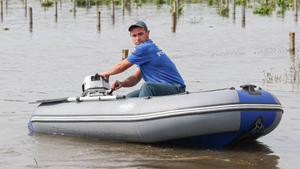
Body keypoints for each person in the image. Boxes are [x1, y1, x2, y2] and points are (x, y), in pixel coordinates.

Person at [96, 21, 185, 98]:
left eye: (140, 34)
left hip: (176, 88)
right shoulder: (146, 52)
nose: (137, 38)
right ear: (131, 36)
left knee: (147, 86)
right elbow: (135, 78)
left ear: (148, 33)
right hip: (165, 88)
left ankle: (142, 114)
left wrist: (105, 73)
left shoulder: (144, 47)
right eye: (134, 35)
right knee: (128, 98)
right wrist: (122, 83)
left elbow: (121, 67)